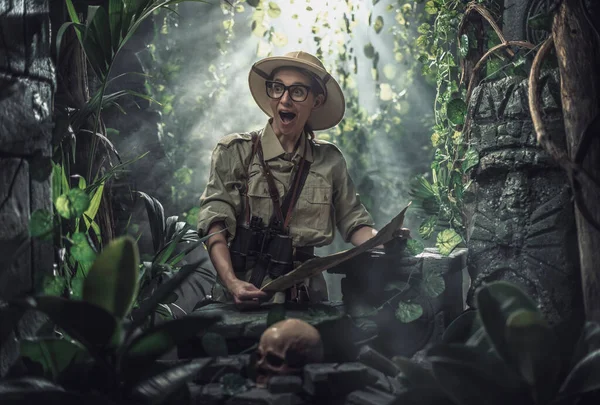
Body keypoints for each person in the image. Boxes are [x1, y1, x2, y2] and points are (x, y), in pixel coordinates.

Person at [197, 51, 383, 307]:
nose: (285, 99)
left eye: (297, 91)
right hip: (244, 298)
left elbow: (353, 222)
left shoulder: (329, 160)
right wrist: (232, 282)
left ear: (316, 101)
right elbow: (214, 225)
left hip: (307, 300)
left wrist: (384, 240)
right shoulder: (236, 152)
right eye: (277, 88)